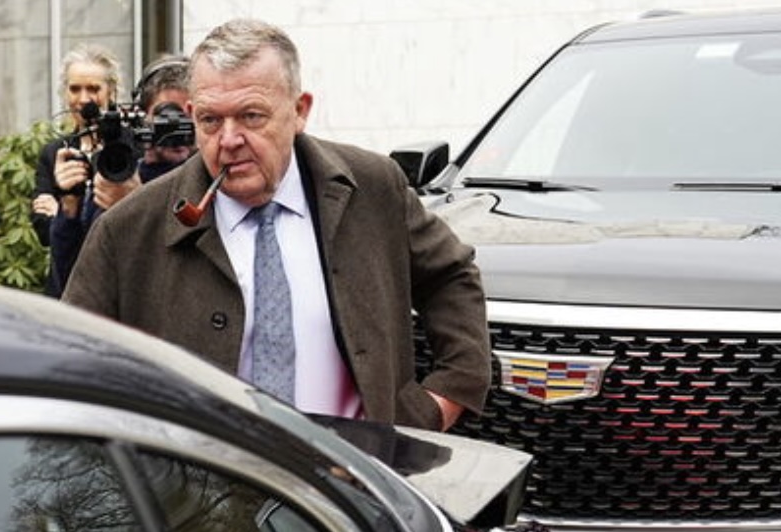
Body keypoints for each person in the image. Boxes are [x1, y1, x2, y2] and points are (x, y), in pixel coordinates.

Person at [63, 19, 490, 433]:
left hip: (360, 472)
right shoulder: (129, 230)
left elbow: (451, 276)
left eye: (251, 116)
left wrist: (440, 401)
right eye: (211, 120)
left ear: (299, 110)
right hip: (203, 479)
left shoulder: (373, 187)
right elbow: (71, 364)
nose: (229, 140)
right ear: (192, 116)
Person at [43, 52, 195, 298]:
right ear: (142, 117)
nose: (177, 127)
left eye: (189, 115)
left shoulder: (213, 185)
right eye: (166, 114)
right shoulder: (116, 176)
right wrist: (70, 204)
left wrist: (136, 204)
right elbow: (71, 278)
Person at [29, 45, 120, 258]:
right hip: (66, 272)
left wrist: (59, 210)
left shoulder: (129, 149)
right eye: (75, 89)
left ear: (111, 92)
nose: (84, 99)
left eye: (93, 89)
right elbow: (44, 232)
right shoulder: (54, 153)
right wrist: (67, 205)